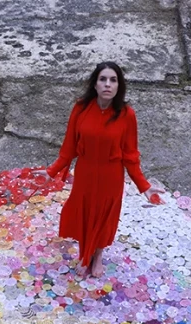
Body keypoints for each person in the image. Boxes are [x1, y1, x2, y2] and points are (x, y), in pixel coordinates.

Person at [33, 61, 164, 277]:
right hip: (85, 172)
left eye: (113, 80)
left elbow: (131, 156)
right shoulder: (80, 108)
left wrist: (144, 186)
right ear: (95, 84)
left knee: (103, 216)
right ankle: (85, 254)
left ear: (118, 86)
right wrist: (51, 171)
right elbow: (69, 147)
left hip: (110, 176)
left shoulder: (126, 115)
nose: (107, 84)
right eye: (103, 79)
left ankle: (98, 255)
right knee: (84, 213)